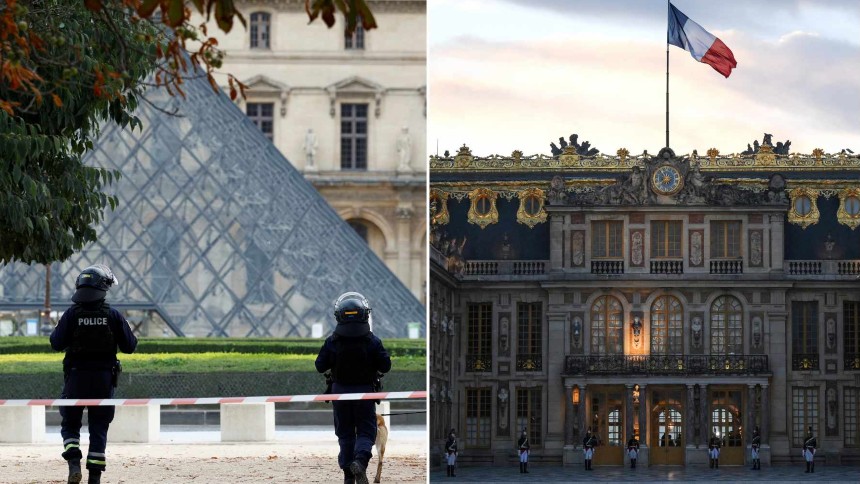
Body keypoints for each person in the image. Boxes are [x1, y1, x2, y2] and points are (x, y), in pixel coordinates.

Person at [49, 265, 138, 484]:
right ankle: (95, 478)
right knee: (99, 427)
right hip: (103, 380)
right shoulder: (113, 315)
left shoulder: (71, 314)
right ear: (103, 288)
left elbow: (55, 342)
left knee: (70, 424)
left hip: (75, 378)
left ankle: (73, 463)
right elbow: (129, 346)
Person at [316, 292, 392, 484]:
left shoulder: (332, 341)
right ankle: (360, 461)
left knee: (345, 434)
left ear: (339, 316)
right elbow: (386, 366)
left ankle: (348, 475)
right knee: (366, 432)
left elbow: (319, 366)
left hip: (339, 392)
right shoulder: (372, 341)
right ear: (365, 315)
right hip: (365, 393)